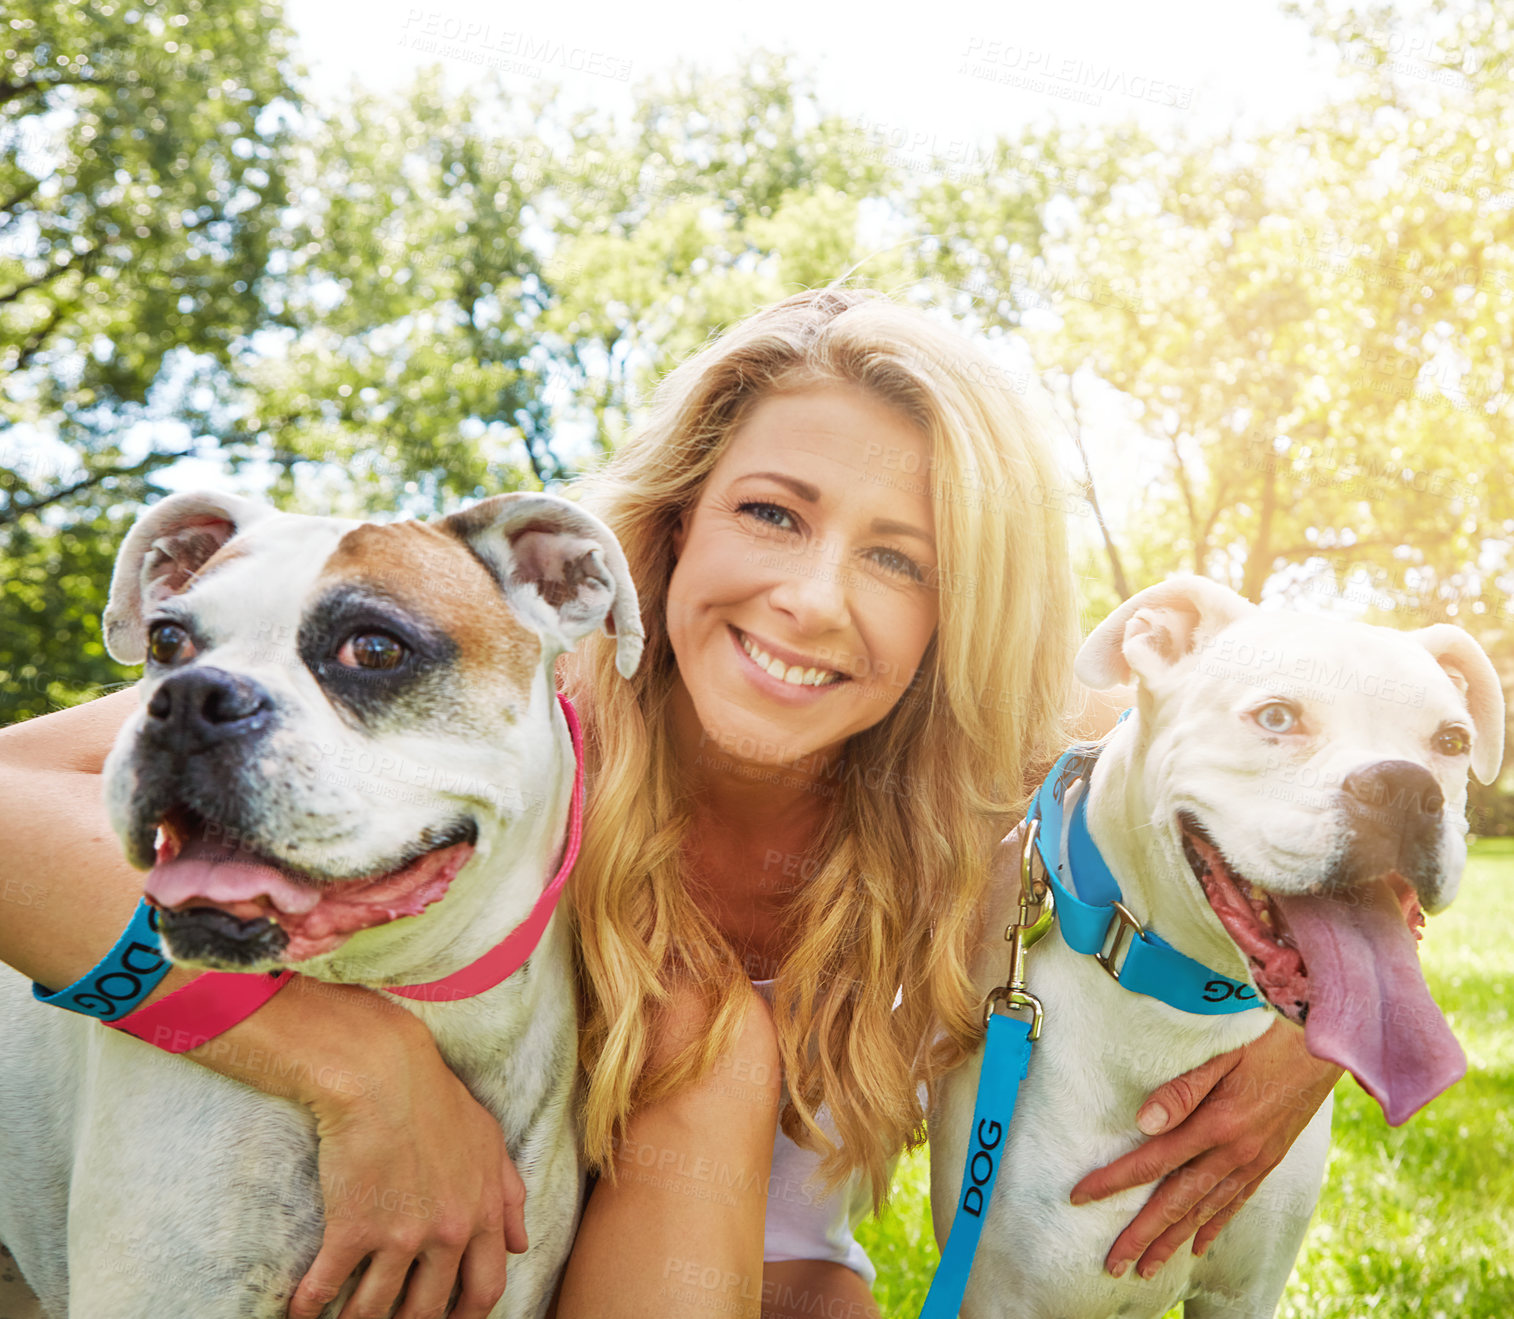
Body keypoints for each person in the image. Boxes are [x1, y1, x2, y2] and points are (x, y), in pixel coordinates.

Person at [0, 288, 1341, 1319]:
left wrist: (1312, 1031)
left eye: (897, 560)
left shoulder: (996, 761)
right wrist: (361, 1075)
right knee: (704, 1035)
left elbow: (1321, 784)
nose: (811, 598)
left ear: (958, 611)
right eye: (771, 514)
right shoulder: (505, 687)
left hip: (753, 1262)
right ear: (678, 521)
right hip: (504, 1172)